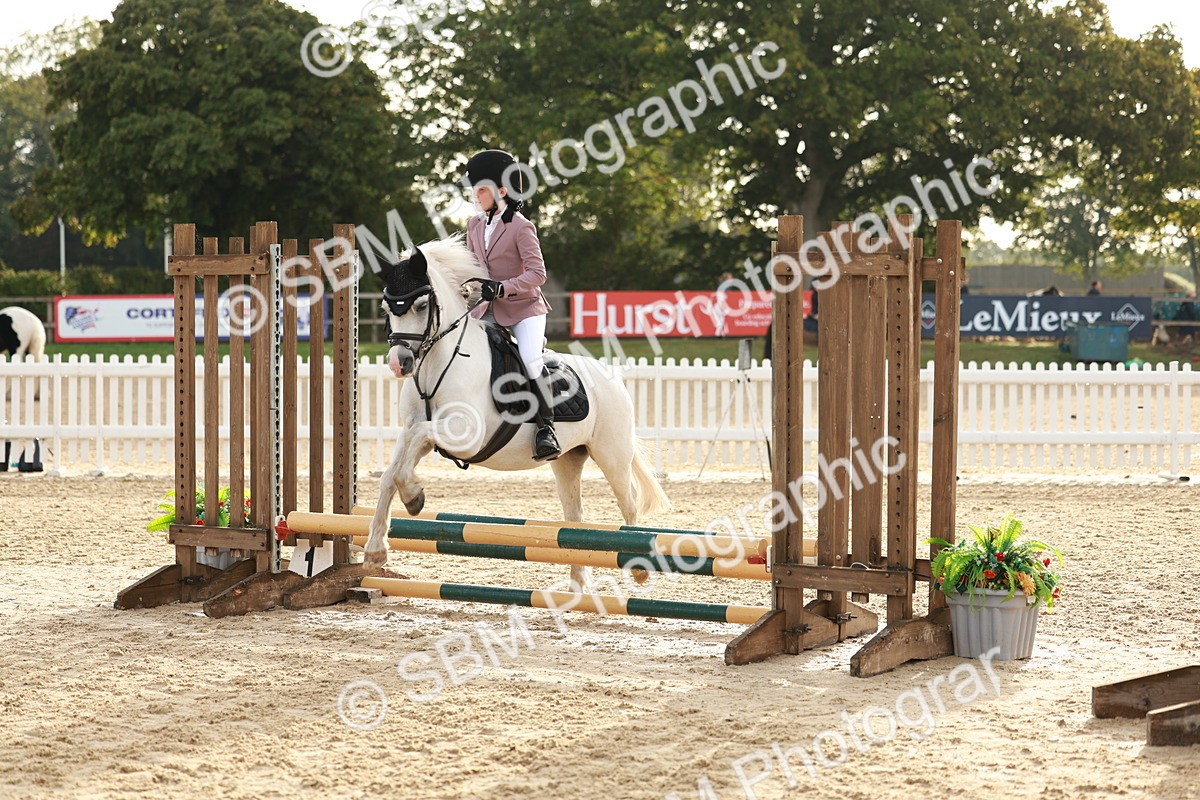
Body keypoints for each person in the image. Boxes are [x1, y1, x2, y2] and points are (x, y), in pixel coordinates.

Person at [462, 149, 559, 461]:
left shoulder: (520, 226)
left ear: (501, 191)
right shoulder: (474, 225)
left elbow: (538, 274)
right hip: (485, 309)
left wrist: (502, 288)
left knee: (531, 358)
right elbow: (471, 266)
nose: (475, 197)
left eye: (481, 190)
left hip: (523, 310)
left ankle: (547, 428)